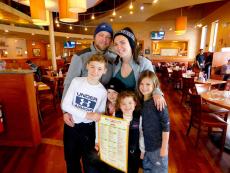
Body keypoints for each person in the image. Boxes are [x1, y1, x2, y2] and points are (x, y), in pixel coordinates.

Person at [61, 54, 108, 173]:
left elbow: (98, 118)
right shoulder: (76, 81)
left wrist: (98, 139)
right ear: (87, 66)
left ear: (104, 71)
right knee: (71, 160)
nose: (95, 71)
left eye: (99, 69)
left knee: (89, 162)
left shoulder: (102, 92)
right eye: (92, 67)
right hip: (71, 126)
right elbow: (65, 105)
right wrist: (87, 114)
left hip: (88, 130)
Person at [112, 27, 166, 111]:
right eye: (115, 44)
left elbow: (153, 83)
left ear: (131, 44)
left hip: (139, 108)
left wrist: (157, 93)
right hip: (120, 108)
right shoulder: (115, 64)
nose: (119, 47)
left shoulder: (144, 63)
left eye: (122, 43)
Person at [63, 22, 115, 99]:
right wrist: (65, 109)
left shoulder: (114, 58)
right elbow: (69, 83)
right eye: (101, 35)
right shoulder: (80, 56)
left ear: (111, 40)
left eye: (108, 37)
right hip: (83, 102)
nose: (104, 39)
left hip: (105, 103)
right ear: (94, 37)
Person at [137, 70, 170, 173]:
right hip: (147, 147)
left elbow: (166, 125)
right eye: (141, 84)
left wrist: (164, 147)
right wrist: (143, 150)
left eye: (148, 84)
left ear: (154, 85)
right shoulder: (143, 102)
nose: (144, 87)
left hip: (158, 148)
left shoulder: (158, 102)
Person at [115, 91, 141, 173]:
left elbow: (142, 135)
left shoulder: (139, 117)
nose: (127, 106)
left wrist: (143, 150)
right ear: (119, 105)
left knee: (133, 169)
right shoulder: (116, 115)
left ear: (135, 103)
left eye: (130, 103)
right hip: (119, 151)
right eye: (123, 104)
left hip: (134, 151)